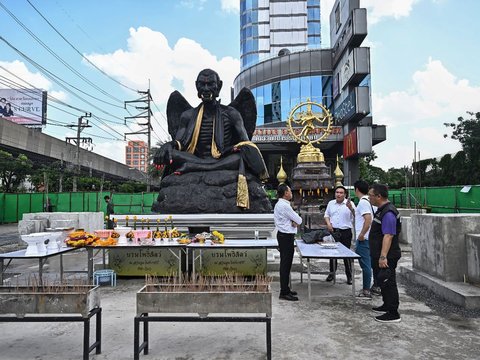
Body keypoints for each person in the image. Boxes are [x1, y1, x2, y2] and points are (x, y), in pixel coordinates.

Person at [153, 69, 268, 208]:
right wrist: (168, 146)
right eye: (202, 85)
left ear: (218, 86)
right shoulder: (187, 115)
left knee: (242, 156)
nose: (206, 89)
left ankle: (193, 167)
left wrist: (238, 148)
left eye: (210, 84)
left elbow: (246, 143)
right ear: (197, 86)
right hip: (196, 158)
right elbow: (179, 144)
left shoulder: (231, 113)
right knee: (173, 155)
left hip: (223, 158)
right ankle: (200, 165)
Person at [368, 183, 402, 323]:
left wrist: (383, 256)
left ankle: (393, 312)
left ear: (378, 196)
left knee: (389, 282)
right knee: (382, 280)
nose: (369, 198)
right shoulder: (381, 210)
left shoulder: (388, 212)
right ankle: (386, 305)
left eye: (370, 195)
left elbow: (388, 235)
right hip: (380, 254)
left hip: (388, 255)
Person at [274, 184, 302, 301]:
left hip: (284, 235)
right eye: (290, 191)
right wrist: (294, 221)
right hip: (285, 237)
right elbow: (299, 220)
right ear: (286, 193)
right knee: (285, 265)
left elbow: (295, 221)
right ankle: (284, 291)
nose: (291, 193)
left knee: (286, 264)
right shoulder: (285, 206)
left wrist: (294, 221)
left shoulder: (280, 204)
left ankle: (286, 288)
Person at [347, 180, 374, 298]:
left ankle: (366, 290)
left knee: (365, 265)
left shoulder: (363, 202)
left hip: (364, 238)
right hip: (368, 237)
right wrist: (352, 209)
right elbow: (361, 217)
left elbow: (368, 219)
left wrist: (362, 234)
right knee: (368, 263)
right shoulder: (366, 201)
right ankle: (371, 286)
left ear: (356, 189)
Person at [324, 185, 354, 284]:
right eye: (337, 192)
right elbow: (327, 215)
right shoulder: (331, 203)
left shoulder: (350, 204)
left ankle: (349, 276)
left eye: (341, 193)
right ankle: (332, 273)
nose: (339, 194)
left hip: (345, 231)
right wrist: (328, 224)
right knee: (332, 253)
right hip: (333, 231)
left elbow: (356, 216)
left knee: (346, 254)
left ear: (345, 194)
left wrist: (351, 208)